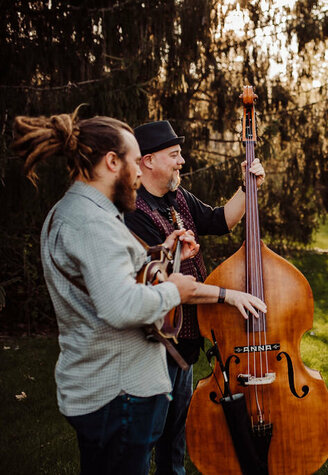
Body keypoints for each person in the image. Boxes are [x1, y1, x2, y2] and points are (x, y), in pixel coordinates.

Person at [12, 109, 266, 475]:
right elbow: (121, 305)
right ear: (113, 161)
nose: (136, 174)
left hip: (118, 389)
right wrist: (175, 291)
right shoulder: (89, 222)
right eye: (133, 162)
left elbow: (115, 277)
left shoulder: (90, 213)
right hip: (117, 395)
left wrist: (166, 250)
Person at [124, 120, 265, 475]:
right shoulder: (133, 213)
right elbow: (165, 285)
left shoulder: (178, 197)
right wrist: (226, 296)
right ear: (148, 161)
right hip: (154, 347)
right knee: (145, 442)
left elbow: (221, 221)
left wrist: (249, 187)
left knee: (173, 441)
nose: (182, 161)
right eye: (174, 155)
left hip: (184, 345)